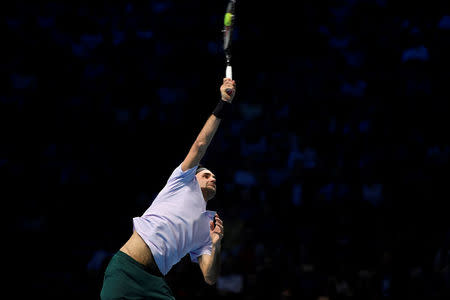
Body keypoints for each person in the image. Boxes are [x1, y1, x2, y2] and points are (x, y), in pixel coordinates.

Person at [100, 78, 237, 299]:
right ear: (194, 177)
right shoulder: (181, 182)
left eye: (214, 176)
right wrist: (223, 102)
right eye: (206, 174)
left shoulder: (206, 226)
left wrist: (216, 243)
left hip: (154, 282)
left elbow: (210, 277)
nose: (212, 177)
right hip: (125, 270)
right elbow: (200, 144)